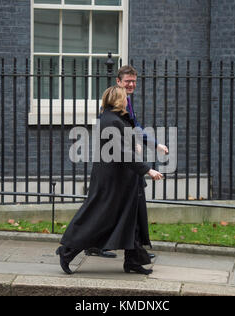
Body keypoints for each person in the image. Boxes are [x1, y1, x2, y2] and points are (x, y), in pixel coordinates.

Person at [56, 86, 163, 275]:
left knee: (134, 219)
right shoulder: (110, 120)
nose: (126, 101)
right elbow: (120, 152)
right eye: (123, 98)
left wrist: (136, 146)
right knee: (99, 217)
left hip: (126, 179)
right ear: (116, 100)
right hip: (114, 181)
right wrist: (147, 169)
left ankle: (133, 261)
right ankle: (67, 251)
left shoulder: (116, 118)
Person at [86, 65, 169, 259]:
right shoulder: (113, 102)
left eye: (133, 81)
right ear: (118, 81)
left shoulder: (126, 101)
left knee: (130, 202)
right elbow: (114, 132)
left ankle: (135, 249)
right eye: (127, 81)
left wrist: (153, 145)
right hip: (115, 165)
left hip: (125, 163)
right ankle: (96, 245)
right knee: (109, 205)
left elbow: (134, 127)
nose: (131, 85)